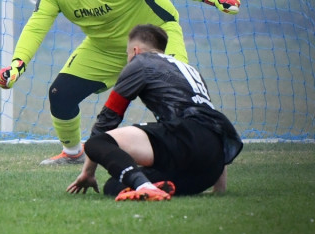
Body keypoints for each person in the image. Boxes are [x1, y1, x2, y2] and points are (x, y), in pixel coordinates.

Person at [0, 0, 241, 165]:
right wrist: (18, 65)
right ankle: (72, 154)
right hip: (105, 49)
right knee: (60, 94)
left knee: (175, 95)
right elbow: (37, 26)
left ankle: (201, 154)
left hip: (156, 37)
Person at [66, 24, 243, 200]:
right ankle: (150, 186)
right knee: (115, 186)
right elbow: (212, 122)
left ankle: (144, 187)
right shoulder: (189, 70)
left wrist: (88, 172)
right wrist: (219, 189)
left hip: (185, 139)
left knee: (96, 142)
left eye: (127, 54)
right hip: (209, 167)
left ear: (135, 51)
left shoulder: (141, 62)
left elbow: (108, 119)